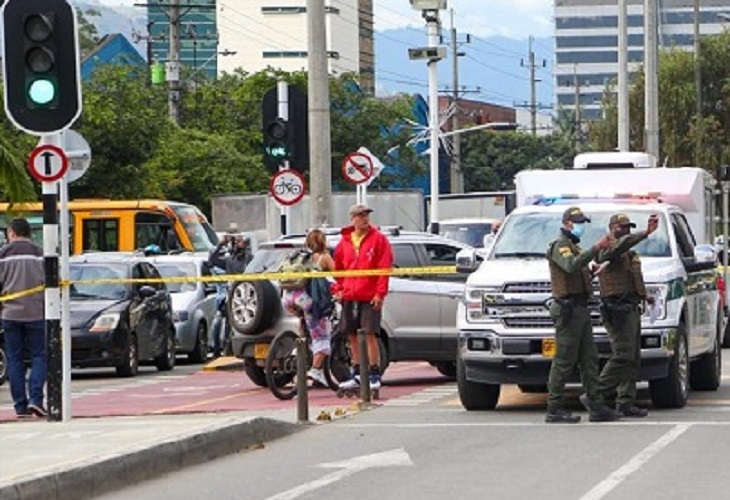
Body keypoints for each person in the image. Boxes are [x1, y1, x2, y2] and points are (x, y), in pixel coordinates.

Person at [545, 207, 618, 424]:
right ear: (567, 223)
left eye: (582, 222)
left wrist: (592, 270)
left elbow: (578, 270)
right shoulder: (561, 246)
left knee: (589, 359)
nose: (580, 227)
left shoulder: (575, 247)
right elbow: (570, 266)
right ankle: (554, 407)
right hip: (568, 309)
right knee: (564, 360)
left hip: (580, 308)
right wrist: (597, 247)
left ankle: (596, 404)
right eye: (577, 222)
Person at [594, 213, 658, 418]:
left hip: (630, 307)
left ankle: (625, 401)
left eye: (628, 227)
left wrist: (644, 295)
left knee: (632, 357)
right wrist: (645, 232)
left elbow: (632, 277)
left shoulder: (627, 253)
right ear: (612, 228)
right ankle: (596, 395)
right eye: (621, 227)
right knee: (622, 355)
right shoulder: (607, 248)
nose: (625, 231)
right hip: (616, 309)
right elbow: (617, 248)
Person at [333, 203, 394, 392]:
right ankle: (357, 373)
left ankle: (374, 373)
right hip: (350, 294)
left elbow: (384, 268)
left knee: (370, 333)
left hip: (369, 294)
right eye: (360, 215)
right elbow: (339, 268)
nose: (364, 218)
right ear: (353, 218)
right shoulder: (344, 241)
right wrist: (339, 288)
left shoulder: (379, 239)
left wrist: (379, 293)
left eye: (366, 215)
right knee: (350, 334)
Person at [0, 218, 46, 418]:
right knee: (40, 356)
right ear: (29, 233)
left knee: (15, 359)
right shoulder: (40, 253)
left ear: (11, 233)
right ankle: (36, 399)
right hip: (37, 312)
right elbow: (52, 282)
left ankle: (20, 406)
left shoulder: (3, 255)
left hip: (10, 314)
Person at [281, 229, 335, 387]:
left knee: (305, 322)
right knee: (322, 337)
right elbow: (340, 274)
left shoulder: (300, 257)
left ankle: (299, 348)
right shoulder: (324, 257)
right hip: (306, 300)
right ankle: (316, 370)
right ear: (323, 241)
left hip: (289, 298)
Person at [208, 229, 252, 358]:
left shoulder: (248, 258)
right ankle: (218, 349)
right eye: (235, 241)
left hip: (245, 296)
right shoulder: (229, 260)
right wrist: (221, 244)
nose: (237, 243)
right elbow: (212, 260)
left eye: (239, 241)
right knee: (219, 320)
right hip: (231, 296)